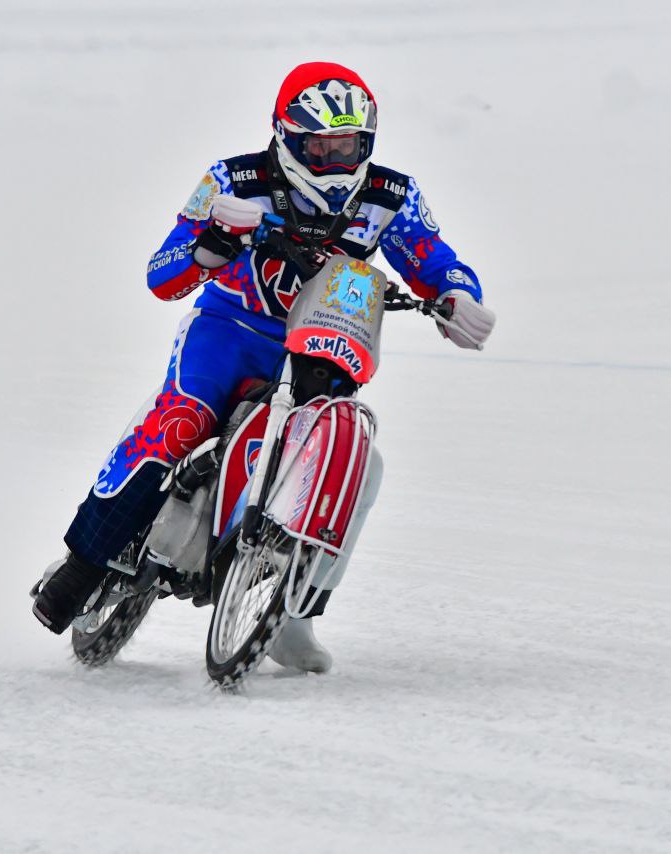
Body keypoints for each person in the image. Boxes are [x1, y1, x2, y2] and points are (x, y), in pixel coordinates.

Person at [32, 62, 496, 670]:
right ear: (286, 135)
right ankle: (84, 560)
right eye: (320, 146)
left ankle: (294, 616)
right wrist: (209, 247)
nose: (335, 158)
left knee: (362, 462)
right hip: (228, 332)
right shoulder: (233, 179)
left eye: (348, 145)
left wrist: (457, 296)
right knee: (184, 419)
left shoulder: (389, 195)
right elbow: (162, 274)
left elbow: (434, 257)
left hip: (322, 339)